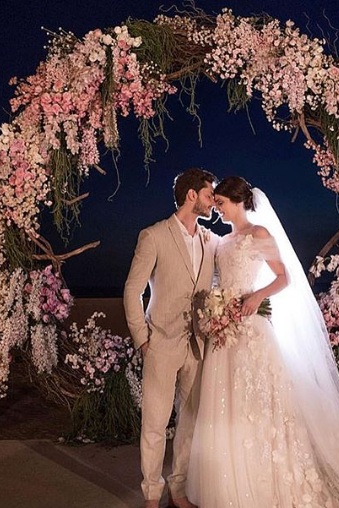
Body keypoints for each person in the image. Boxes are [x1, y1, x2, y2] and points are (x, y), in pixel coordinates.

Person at [187, 176, 339, 507]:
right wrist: (219, 309)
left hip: (252, 327)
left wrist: (255, 296)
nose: (217, 209)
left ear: (236, 202)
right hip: (226, 331)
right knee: (227, 405)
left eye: (220, 203)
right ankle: (230, 477)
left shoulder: (259, 234)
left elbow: (284, 276)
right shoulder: (221, 242)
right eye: (215, 203)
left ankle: (267, 473)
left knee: (260, 403)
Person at [124, 168, 219, 508]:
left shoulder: (211, 240)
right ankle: (152, 493)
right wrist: (143, 339)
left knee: (190, 421)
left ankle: (178, 489)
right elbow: (132, 291)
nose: (213, 201)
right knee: (155, 423)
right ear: (191, 195)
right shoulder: (154, 236)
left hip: (198, 345)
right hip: (161, 343)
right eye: (209, 194)